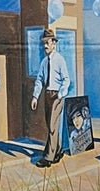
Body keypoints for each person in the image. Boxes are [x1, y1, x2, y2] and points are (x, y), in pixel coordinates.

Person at [30, 28, 72, 166]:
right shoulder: (43, 62)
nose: (45, 46)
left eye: (48, 43)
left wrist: (60, 94)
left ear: (54, 43)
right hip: (47, 96)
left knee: (53, 126)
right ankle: (58, 150)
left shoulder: (60, 60)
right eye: (44, 43)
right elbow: (39, 80)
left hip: (57, 96)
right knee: (50, 125)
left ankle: (48, 157)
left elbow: (66, 80)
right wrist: (35, 97)